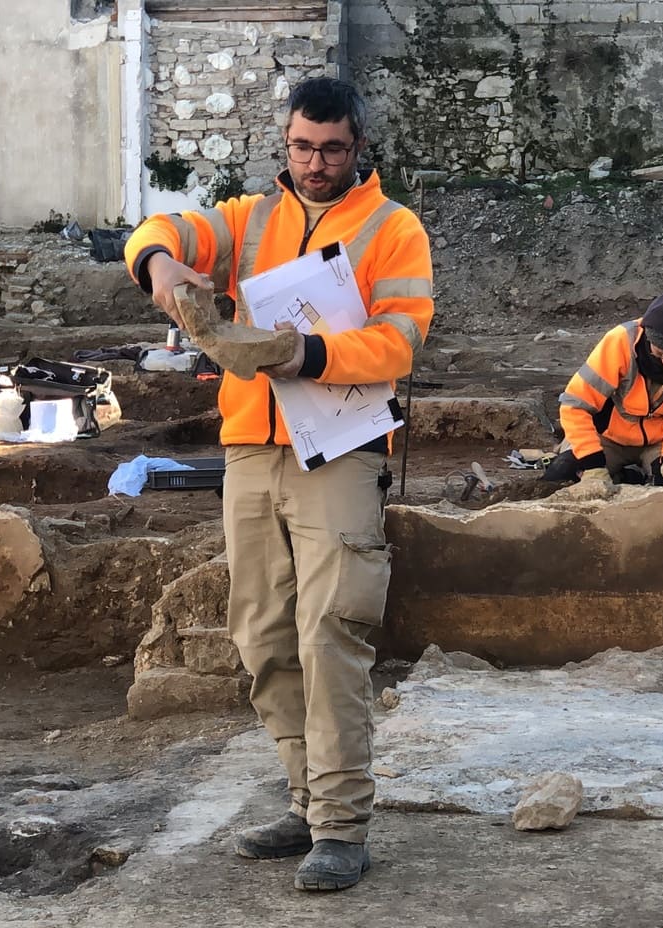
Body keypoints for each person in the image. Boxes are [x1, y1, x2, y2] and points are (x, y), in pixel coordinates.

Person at [123, 77, 433, 892]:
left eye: (332, 150)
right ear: (284, 145)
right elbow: (159, 227)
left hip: (338, 448)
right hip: (252, 450)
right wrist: (157, 261)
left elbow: (400, 341)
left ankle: (340, 824)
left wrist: (312, 357)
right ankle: (303, 799)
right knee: (261, 632)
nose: (317, 163)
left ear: (358, 148)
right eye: (303, 147)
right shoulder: (246, 219)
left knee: (332, 633)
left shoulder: (395, 229)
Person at [545, 289, 663, 487]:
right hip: (607, 438)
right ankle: (624, 476)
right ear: (647, 338)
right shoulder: (620, 341)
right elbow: (575, 404)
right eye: (659, 353)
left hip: (661, 442)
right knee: (561, 475)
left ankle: (633, 476)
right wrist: (592, 464)